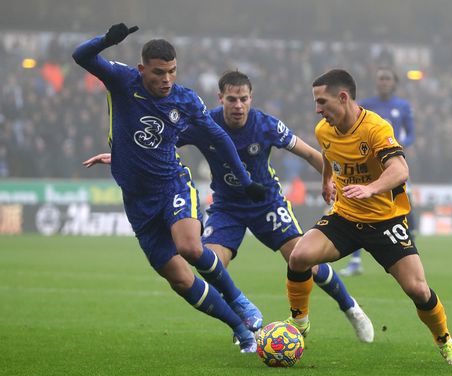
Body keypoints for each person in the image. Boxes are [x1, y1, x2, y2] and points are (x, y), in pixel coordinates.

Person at [85, 70, 375, 343]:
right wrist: (123, 154)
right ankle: (244, 323)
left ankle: (350, 307)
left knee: (302, 259)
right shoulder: (204, 123)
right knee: (211, 264)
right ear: (220, 98)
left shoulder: (266, 125)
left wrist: (331, 182)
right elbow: (162, 142)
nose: (238, 105)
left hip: (266, 203)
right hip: (226, 208)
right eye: (232, 99)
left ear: (251, 99)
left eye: (244, 99)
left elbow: (312, 154)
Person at [72, 23, 268, 353]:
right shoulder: (122, 81)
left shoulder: (185, 99)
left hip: (172, 185)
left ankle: (239, 300)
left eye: (172, 72)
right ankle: (240, 327)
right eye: (159, 73)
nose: (166, 80)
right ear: (141, 69)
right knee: (179, 279)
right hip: (136, 200)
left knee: (190, 247)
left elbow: (219, 138)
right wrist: (107, 41)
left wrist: (246, 181)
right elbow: (81, 55)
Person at [285, 69, 452, 365]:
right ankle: (299, 325)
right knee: (299, 256)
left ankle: (445, 341)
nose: (318, 109)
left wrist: (371, 188)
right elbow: (329, 156)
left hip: (386, 221)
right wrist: (326, 181)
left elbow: (400, 170)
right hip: (345, 217)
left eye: (322, 102)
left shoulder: (375, 128)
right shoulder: (324, 129)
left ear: (343, 97)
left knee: (418, 289)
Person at [340, 67, 416, 276]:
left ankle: (406, 254)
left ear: (394, 82)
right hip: (368, 167)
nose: (383, 82)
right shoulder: (366, 106)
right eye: (380, 78)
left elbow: (411, 134)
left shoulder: (403, 106)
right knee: (358, 207)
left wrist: (397, 146)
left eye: (387, 78)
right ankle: (355, 261)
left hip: (392, 165)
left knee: (403, 207)